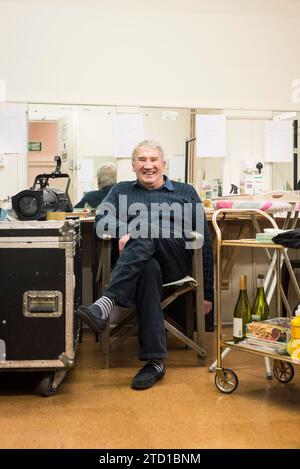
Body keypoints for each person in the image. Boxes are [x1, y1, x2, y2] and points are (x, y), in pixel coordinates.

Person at [78, 140, 214, 390]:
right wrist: (124, 231)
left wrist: (207, 292)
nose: (148, 165)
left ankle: (106, 302)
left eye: (153, 160)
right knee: (148, 266)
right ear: (133, 165)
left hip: (176, 258)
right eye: (142, 160)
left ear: (164, 164)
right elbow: (101, 221)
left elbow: (204, 242)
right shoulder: (120, 190)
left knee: (145, 231)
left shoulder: (186, 192)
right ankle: (155, 361)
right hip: (140, 262)